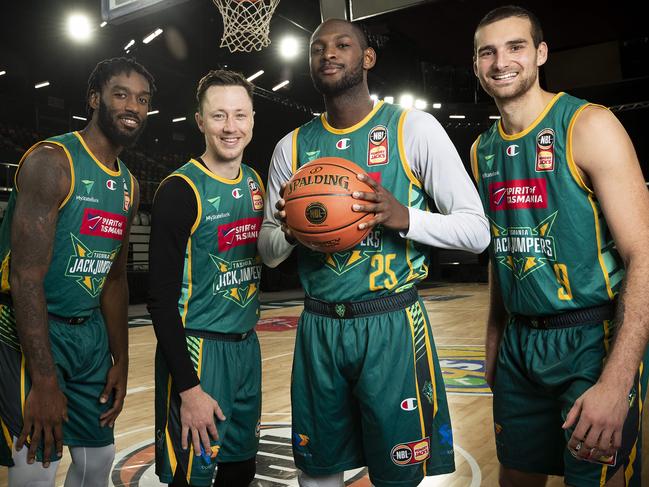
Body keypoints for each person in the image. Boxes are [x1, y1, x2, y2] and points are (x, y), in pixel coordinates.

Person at [259, 18, 490, 487]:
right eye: (318, 48)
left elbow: (477, 231)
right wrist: (290, 227)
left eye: (343, 44)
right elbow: (268, 254)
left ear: (367, 59)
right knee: (316, 470)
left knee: (398, 473)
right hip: (320, 325)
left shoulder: (413, 128)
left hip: (391, 321)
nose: (328, 53)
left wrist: (405, 217)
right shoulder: (292, 147)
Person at [471, 6, 649, 487]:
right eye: (487, 52)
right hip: (519, 345)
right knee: (516, 477)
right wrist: (494, 337)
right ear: (476, 65)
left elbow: (644, 255)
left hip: (592, 341)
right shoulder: (482, 149)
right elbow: (501, 249)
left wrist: (617, 382)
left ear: (540, 53)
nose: (500, 61)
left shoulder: (589, 125)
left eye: (515, 47)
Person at [0, 57, 153, 485]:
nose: (133, 107)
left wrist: (120, 360)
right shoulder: (53, 161)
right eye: (121, 94)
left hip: (88, 337)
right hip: (29, 330)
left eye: (142, 99)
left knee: (98, 461)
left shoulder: (129, 184)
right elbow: (24, 278)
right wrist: (45, 380)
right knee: (36, 463)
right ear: (94, 99)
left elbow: (116, 279)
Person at [148, 70, 263, 487]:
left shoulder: (255, 182)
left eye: (239, 115)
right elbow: (159, 301)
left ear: (252, 119)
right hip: (198, 350)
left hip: (246, 349)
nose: (230, 127)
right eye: (218, 116)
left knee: (240, 469)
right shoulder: (180, 190)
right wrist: (190, 388)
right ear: (200, 121)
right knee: (191, 478)